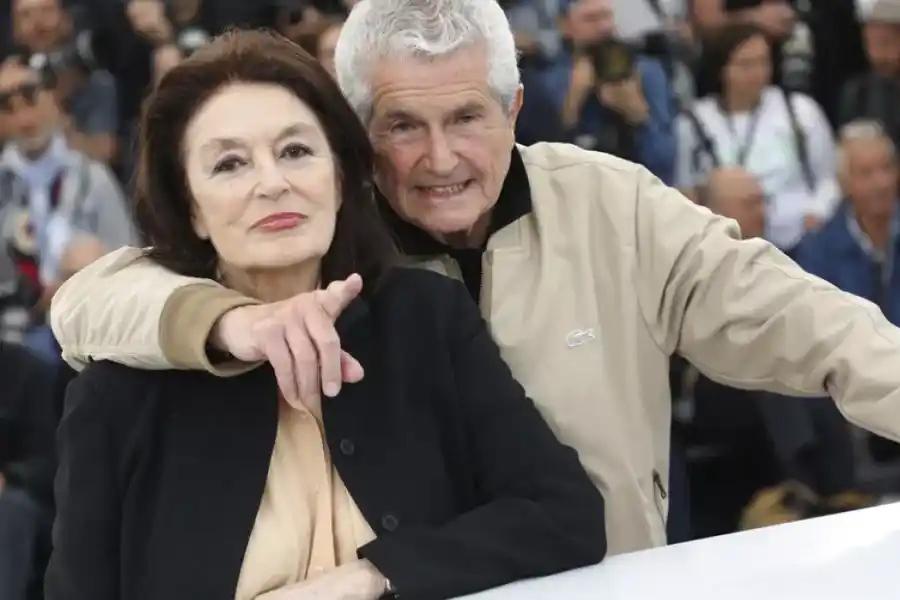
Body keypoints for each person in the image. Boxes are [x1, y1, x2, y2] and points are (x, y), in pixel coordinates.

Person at [51, 0, 900, 557]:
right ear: (353, 131)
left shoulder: (609, 205)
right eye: (402, 126)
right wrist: (224, 321)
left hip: (603, 577)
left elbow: (814, 327)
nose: (441, 158)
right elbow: (97, 297)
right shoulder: (314, 234)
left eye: (467, 117)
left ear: (517, 109)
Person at [43, 29, 607, 600]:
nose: (272, 183)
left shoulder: (423, 319)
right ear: (191, 209)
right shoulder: (121, 387)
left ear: (339, 179)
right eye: (230, 164)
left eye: (295, 151)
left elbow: (565, 514)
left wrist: (370, 577)